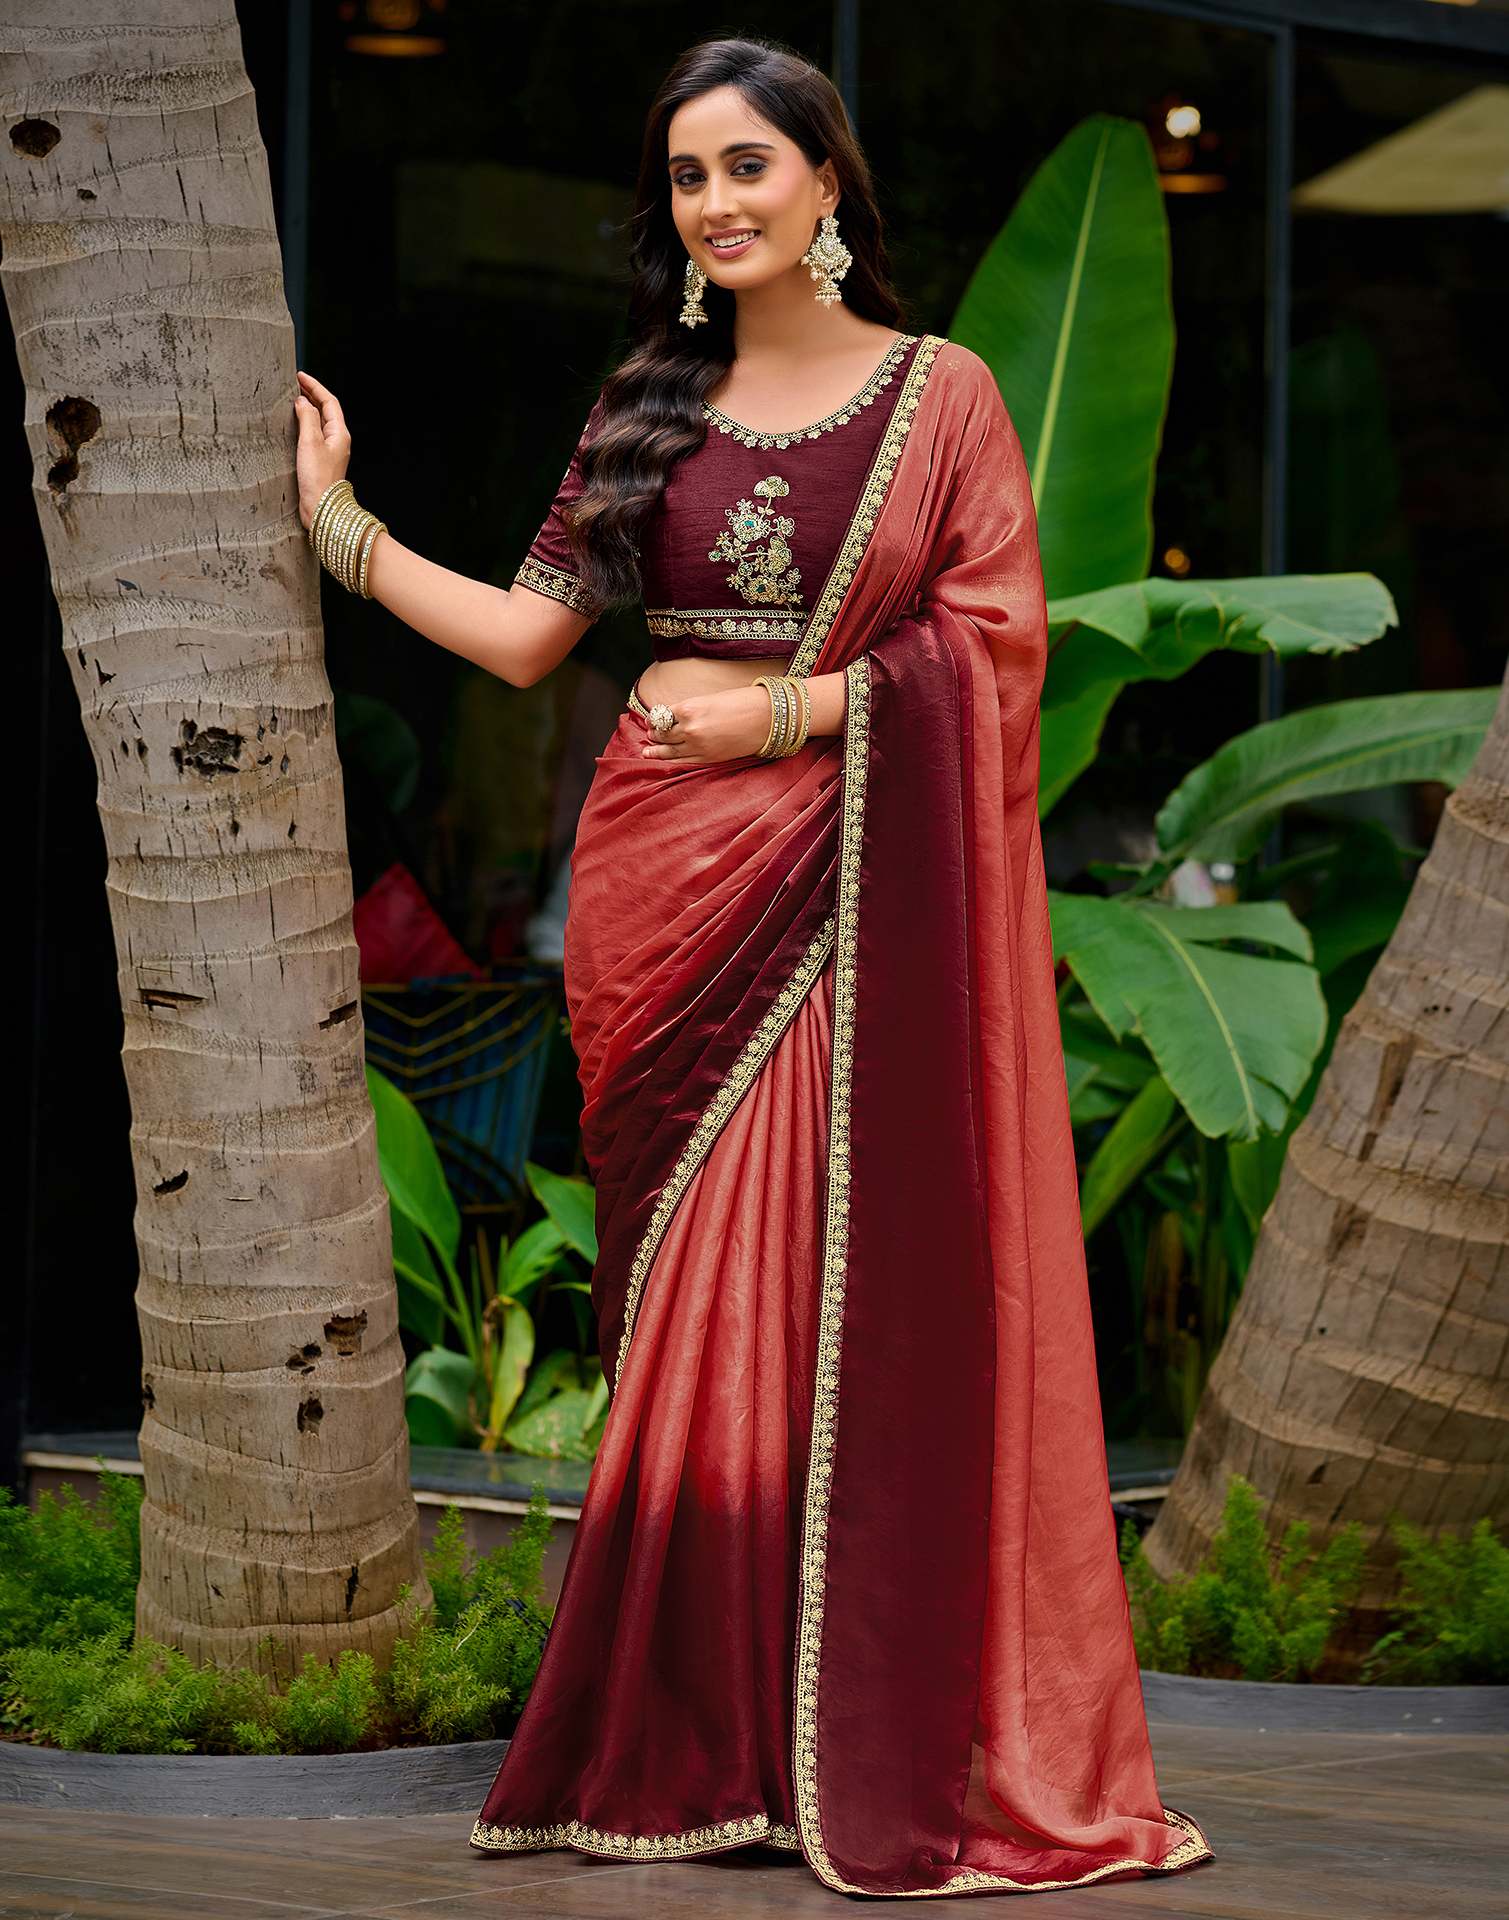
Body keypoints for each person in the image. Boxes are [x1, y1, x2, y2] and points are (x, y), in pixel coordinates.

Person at [293, 32, 1214, 1903]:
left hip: (846, 891)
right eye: (688, 180)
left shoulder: (940, 395)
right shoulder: (652, 401)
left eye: (747, 168)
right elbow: (534, 641)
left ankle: (853, 1735)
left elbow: (995, 646)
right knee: (694, 1315)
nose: (715, 205)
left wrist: (791, 708)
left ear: (825, 187)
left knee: (820, 1298)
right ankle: (699, 1730)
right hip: (662, 901)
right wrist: (343, 532)